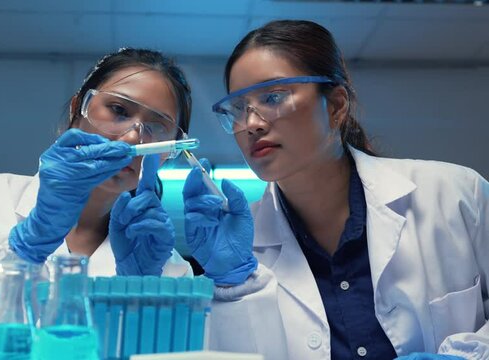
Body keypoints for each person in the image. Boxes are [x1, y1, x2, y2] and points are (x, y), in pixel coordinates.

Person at [183, 20, 488, 359]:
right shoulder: (241, 253)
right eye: (238, 109)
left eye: (272, 96)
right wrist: (230, 287)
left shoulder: (455, 194)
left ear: (337, 105)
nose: (252, 123)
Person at [0, 48, 194, 360]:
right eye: (118, 110)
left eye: (157, 127)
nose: (131, 139)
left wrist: (140, 291)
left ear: (172, 149)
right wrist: (27, 244)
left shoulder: (165, 263)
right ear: (78, 107)